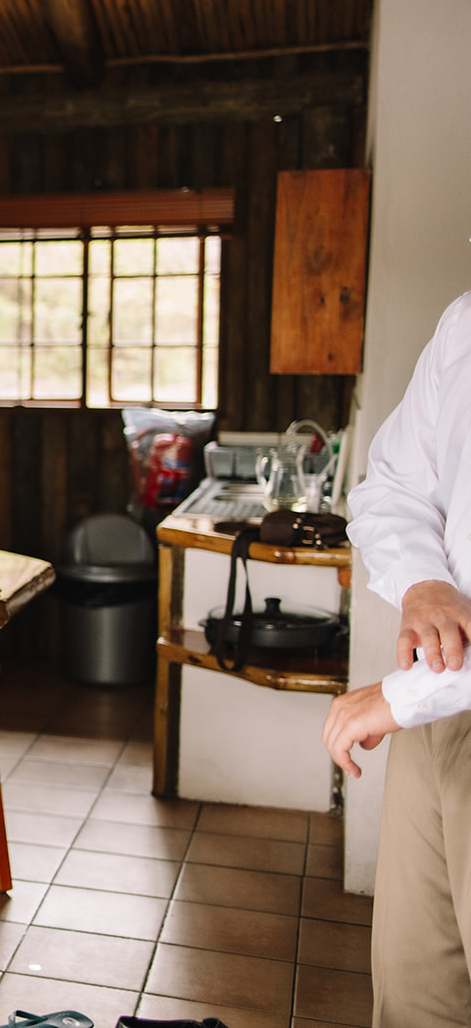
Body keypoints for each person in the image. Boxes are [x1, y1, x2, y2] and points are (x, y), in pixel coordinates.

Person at [322, 290, 471, 1028]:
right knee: (415, 994)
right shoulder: (465, 323)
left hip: (424, 695)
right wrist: (424, 579)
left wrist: (401, 697)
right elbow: (392, 488)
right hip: (437, 716)